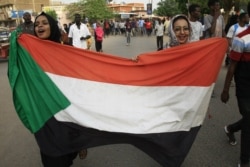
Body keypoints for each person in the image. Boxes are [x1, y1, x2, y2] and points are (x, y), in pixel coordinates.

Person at [33, 12, 87, 167]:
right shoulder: (30, 53)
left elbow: (80, 81)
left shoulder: (66, 50)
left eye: (44, 23)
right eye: (37, 24)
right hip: (45, 114)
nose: (40, 26)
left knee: (66, 151)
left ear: (52, 26)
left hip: (66, 110)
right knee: (52, 156)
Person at [220, 3, 250, 167]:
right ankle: (244, 161)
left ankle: (231, 129)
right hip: (245, 83)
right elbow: (232, 66)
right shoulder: (241, 38)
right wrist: (225, 89)